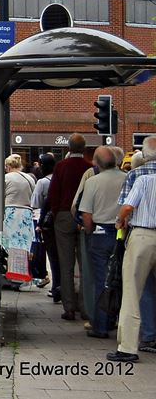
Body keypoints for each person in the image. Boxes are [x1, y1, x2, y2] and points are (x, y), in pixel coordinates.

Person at [109, 136, 156, 362]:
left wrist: (120, 220)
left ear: (144, 156)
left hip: (142, 235)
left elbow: (127, 207)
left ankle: (127, 347)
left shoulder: (141, 178)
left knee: (132, 291)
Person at [79, 146, 127, 339]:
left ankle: (101, 326)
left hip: (99, 234)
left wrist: (89, 232)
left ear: (96, 163)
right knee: (121, 280)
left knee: (101, 281)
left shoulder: (93, 182)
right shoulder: (127, 178)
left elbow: (86, 214)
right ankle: (118, 321)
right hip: (121, 233)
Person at [48, 133, 93, 320]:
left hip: (65, 215)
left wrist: (57, 212)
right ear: (84, 149)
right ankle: (85, 307)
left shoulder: (61, 167)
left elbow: (53, 193)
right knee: (85, 265)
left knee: (65, 263)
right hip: (85, 216)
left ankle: (69, 307)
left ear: (69, 148)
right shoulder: (90, 168)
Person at [2, 154, 36, 289]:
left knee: (10, 246)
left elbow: (1, 196)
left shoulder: (6, 178)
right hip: (26, 215)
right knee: (23, 247)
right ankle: (23, 278)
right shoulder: (30, 178)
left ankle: (13, 276)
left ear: (8, 166)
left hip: (11, 213)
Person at [31, 153, 58, 294]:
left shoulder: (42, 182)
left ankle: (53, 285)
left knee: (50, 254)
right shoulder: (59, 179)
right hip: (60, 220)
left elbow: (36, 203)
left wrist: (39, 224)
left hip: (46, 221)